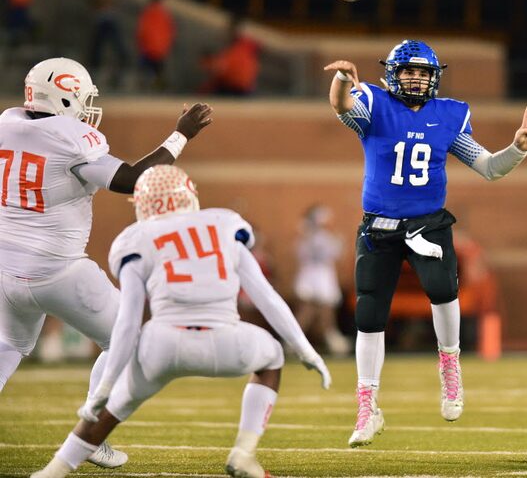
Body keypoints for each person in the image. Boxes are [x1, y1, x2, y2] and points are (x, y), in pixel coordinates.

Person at [30, 165, 331, 478]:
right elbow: (267, 297)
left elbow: (129, 322)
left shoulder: (135, 238)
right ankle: (243, 453)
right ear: (189, 195)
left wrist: (105, 385)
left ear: (144, 204)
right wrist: (307, 351)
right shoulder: (224, 223)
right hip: (228, 340)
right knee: (272, 356)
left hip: (163, 344)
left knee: (110, 408)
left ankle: (55, 469)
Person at [324, 39, 527, 447]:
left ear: (434, 76)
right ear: (393, 74)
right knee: (368, 314)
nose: (416, 78)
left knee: (443, 290)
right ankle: (367, 406)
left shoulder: (450, 114)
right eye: (409, 71)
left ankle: (450, 367)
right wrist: (341, 81)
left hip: (427, 222)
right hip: (380, 225)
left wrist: (517, 149)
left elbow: (490, 168)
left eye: (423, 72)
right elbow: (341, 107)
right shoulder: (373, 103)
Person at [0, 57, 212, 468]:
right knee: (130, 340)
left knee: (7, 346)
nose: (86, 107)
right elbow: (134, 180)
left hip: (4, 268)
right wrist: (181, 135)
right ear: (63, 95)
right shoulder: (70, 137)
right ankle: (91, 435)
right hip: (57, 270)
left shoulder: (6, 125)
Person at [293, 204, 350, 356]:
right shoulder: (314, 236)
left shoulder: (311, 236)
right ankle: (295, 341)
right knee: (310, 311)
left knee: (322, 312)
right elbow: (335, 254)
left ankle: (328, 340)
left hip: (319, 275)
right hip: (316, 275)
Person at [199, 16, 260, 96]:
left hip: (238, 89)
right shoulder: (230, 48)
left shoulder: (245, 46)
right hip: (230, 87)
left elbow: (221, 69)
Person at [136, 0, 176, 90]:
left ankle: (152, 86)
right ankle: (155, 86)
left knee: (149, 71)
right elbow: (169, 30)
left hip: (151, 47)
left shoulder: (150, 10)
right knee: (155, 71)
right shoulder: (161, 12)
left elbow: (142, 29)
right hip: (156, 47)